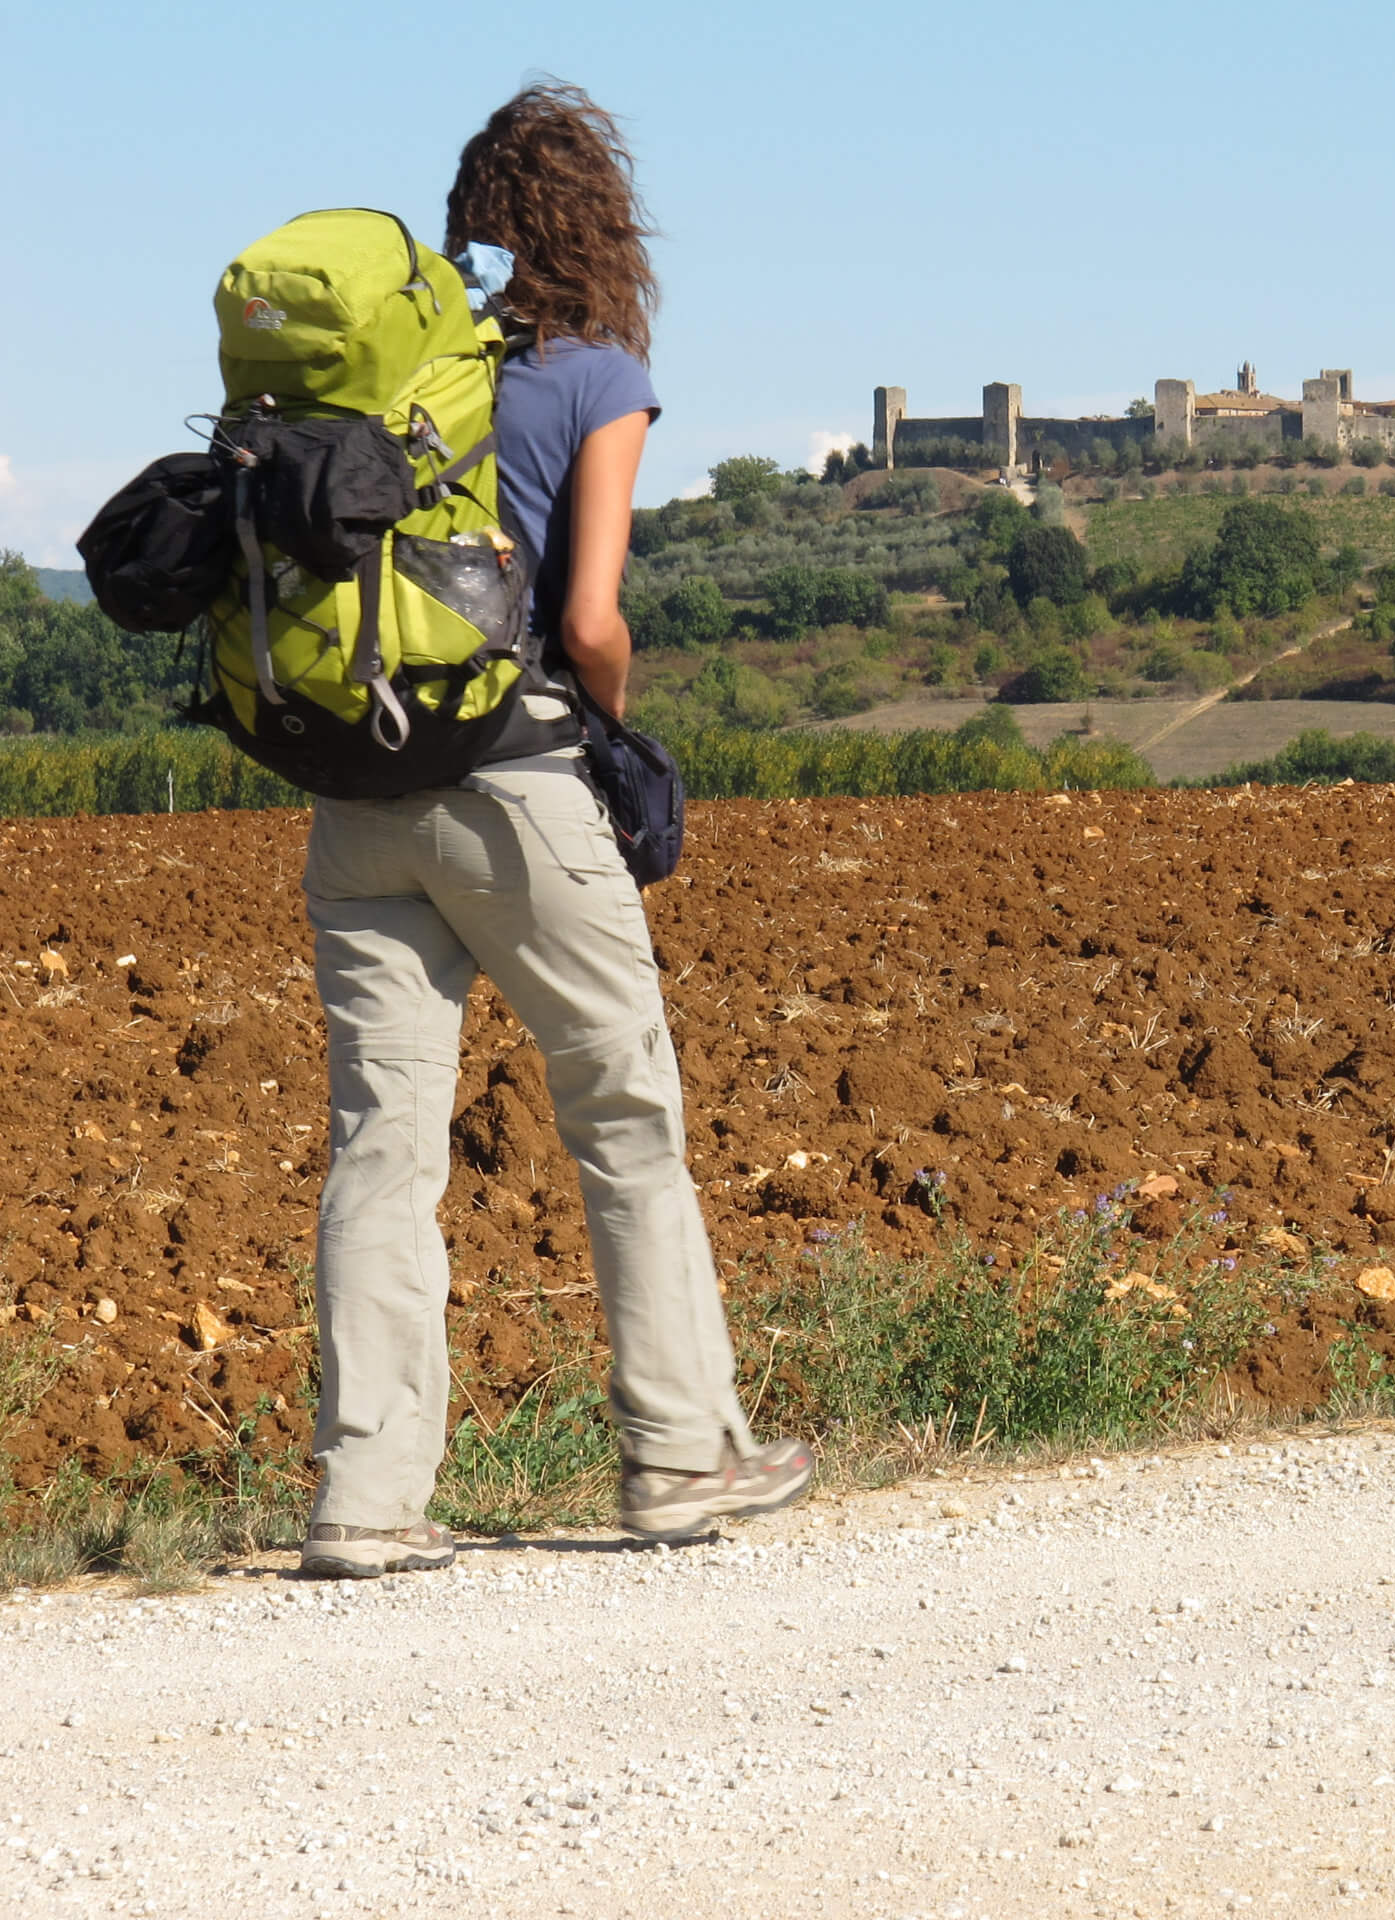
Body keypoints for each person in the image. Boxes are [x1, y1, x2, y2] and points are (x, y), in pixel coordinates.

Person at [297, 85, 809, 1580]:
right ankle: (677, 1454)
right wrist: (613, 716)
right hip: (513, 786)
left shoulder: (392, 384)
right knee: (625, 1114)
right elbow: (589, 620)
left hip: (354, 801)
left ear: (468, 226)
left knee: (380, 1148)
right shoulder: (600, 376)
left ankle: (366, 1504)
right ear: (601, 225)